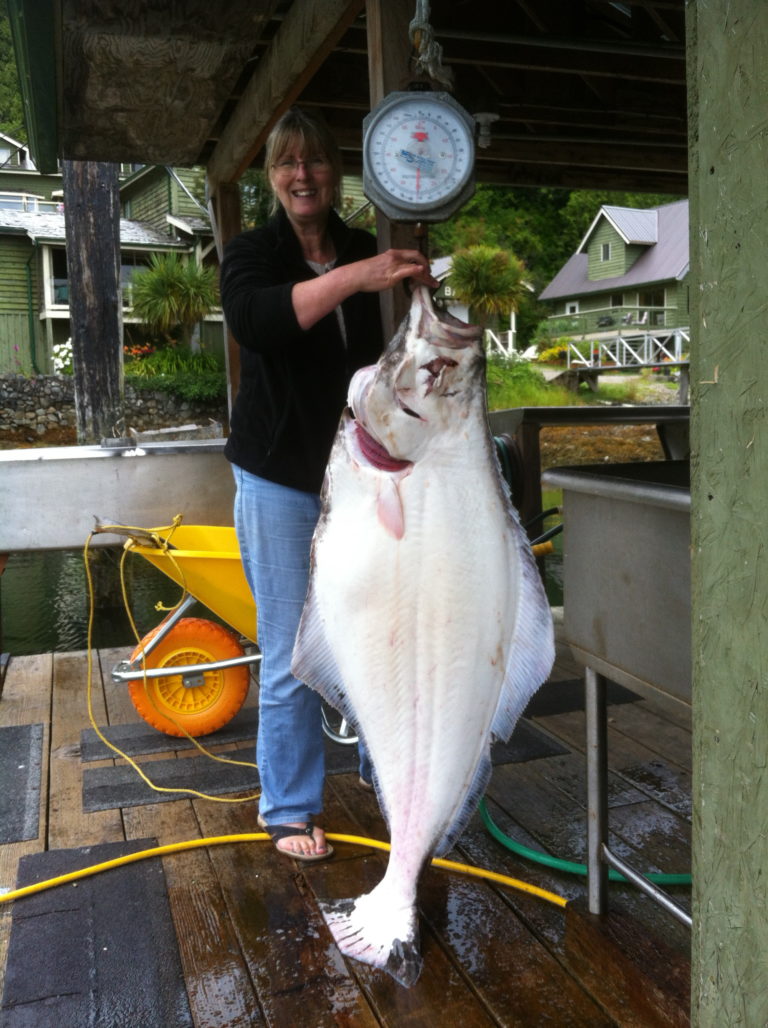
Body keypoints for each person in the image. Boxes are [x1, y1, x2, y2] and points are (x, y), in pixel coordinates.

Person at [220, 107, 437, 861]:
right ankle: (287, 808)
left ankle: (391, 785)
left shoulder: (365, 249)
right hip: (279, 477)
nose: (301, 175)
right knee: (289, 646)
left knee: (378, 631)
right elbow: (261, 323)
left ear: (336, 170)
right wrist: (363, 276)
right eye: (286, 164)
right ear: (273, 178)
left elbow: (405, 351)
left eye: (314, 161)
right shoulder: (253, 253)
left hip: (364, 478)